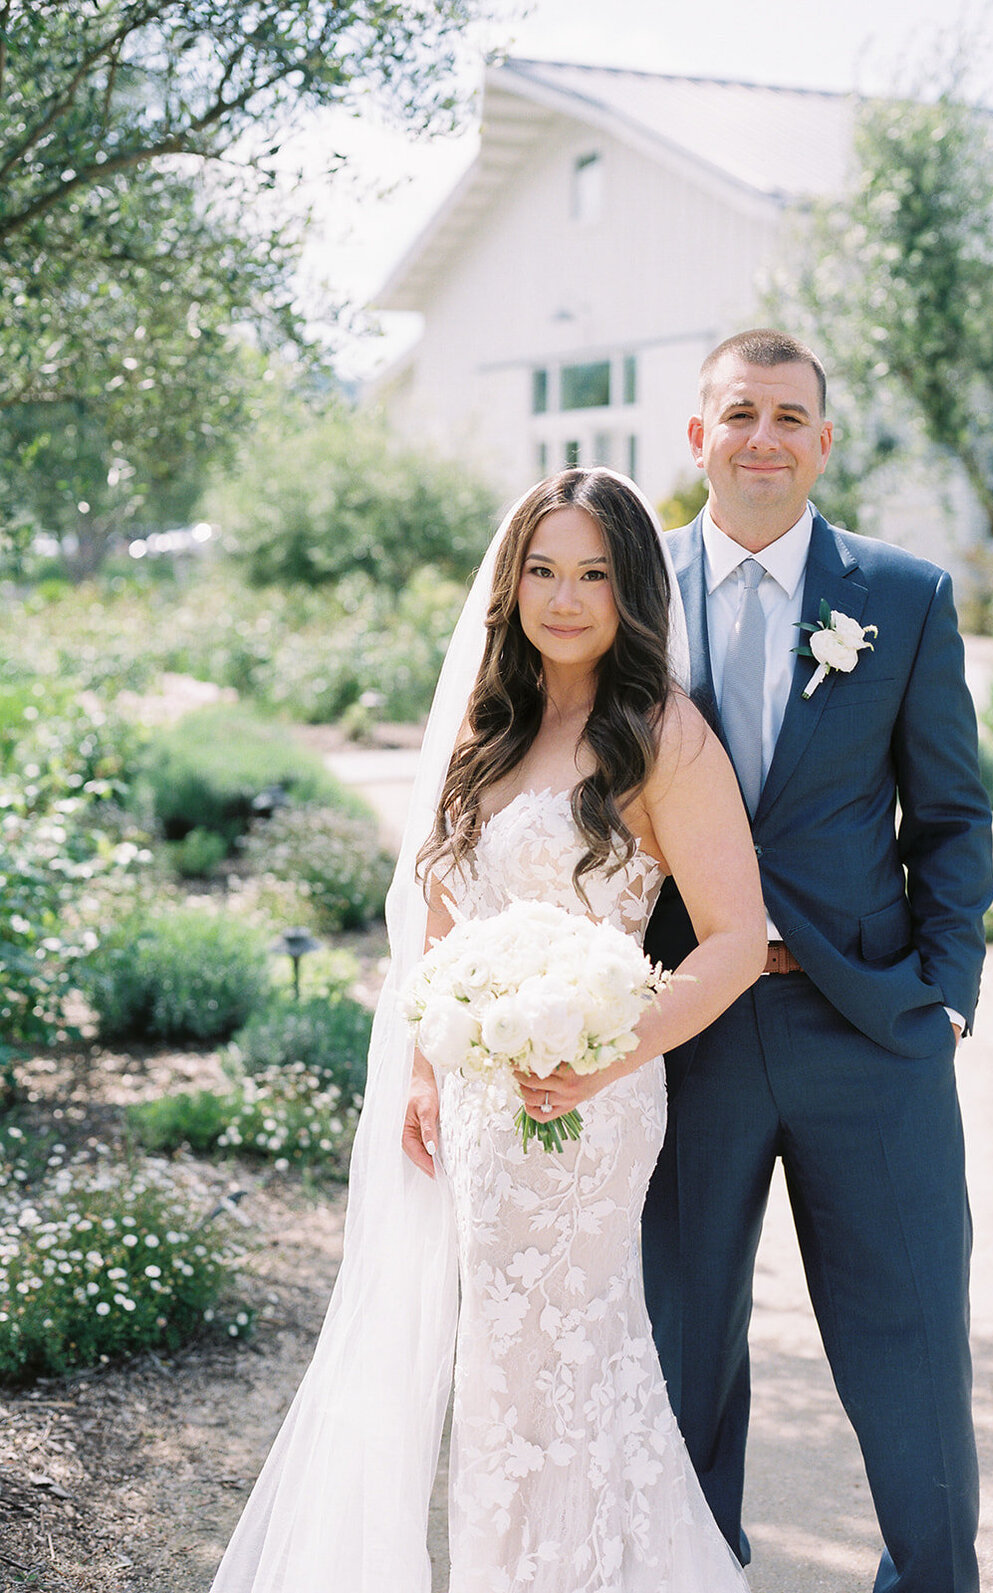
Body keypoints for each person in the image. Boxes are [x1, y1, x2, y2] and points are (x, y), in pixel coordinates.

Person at [209, 468, 766, 1593]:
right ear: (511, 587)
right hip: (476, 1103)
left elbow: (736, 942)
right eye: (543, 572)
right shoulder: (492, 722)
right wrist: (424, 1065)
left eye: (594, 575)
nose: (565, 599)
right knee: (493, 1373)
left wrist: (613, 1051)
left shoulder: (664, 737)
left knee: (558, 1362)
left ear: (631, 590)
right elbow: (444, 911)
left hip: (593, 1107)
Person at [641, 329, 993, 1593]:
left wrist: (944, 1001)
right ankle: (689, 1572)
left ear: (823, 441)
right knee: (678, 1351)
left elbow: (951, 817)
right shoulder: (634, 589)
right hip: (686, 1032)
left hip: (868, 1031)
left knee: (911, 1356)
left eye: (791, 417)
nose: (764, 439)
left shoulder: (902, 597)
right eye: (739, 413)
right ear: (697, 436)